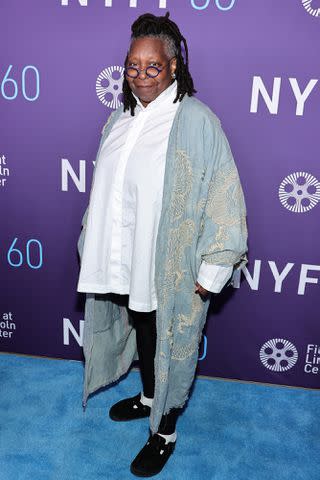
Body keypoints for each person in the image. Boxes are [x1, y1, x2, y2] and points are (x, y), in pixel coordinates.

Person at [77, 11, 248, 477]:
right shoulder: (121, 117)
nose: (141, 76)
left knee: (171, 340)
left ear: (173, 66)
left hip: (172, 264)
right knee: (145, 329)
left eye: (153, 67)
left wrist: (215, 264)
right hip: (130, 258)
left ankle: (165, 431)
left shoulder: (195, 119)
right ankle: (149, 396)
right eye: (133, 66)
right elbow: (108, 190)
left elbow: (223, 192)